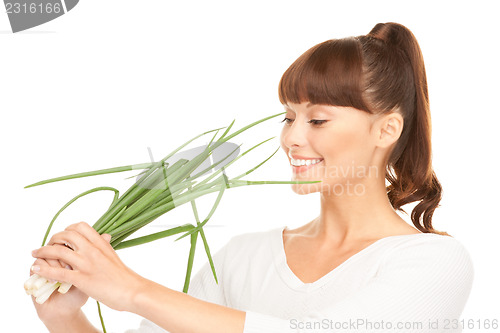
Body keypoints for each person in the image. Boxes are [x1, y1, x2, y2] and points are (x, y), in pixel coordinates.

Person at [30, 22, 474, 333]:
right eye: (288, 117)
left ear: (387, 129)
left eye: (317, 120)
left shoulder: (432, 263)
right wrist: (64, 318)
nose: (292, 138)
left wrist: (131, 290)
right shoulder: (244, 257)